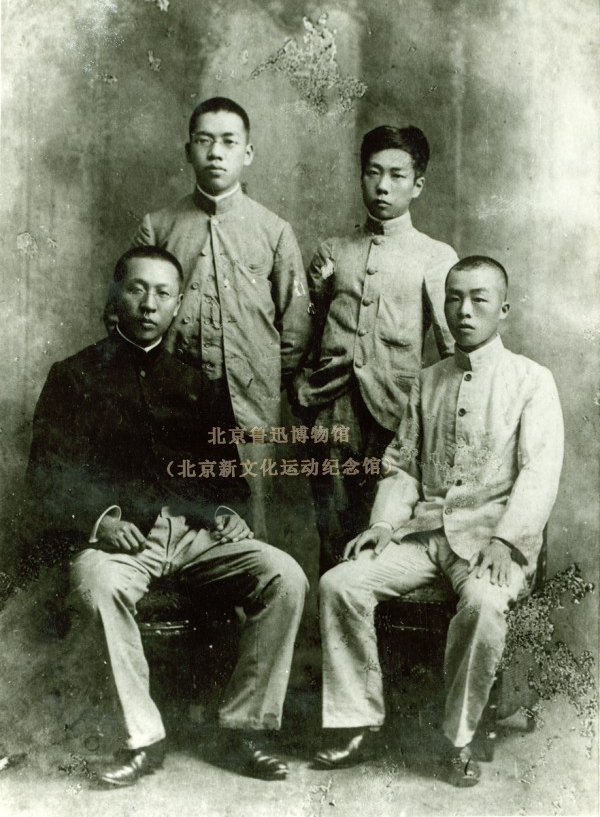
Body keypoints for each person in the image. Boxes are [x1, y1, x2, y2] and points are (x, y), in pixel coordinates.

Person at [26, 246, 307, 787]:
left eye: (162, 293)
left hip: (196, 537)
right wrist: (101, 522)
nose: (149, 304)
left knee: (285, 575)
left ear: (177, 304)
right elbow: (46, 477)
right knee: (98, 586)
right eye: (137, 289)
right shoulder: (73, 375)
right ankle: (142, 738)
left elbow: (228, 476)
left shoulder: (197, 382)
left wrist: (227, 512)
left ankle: (245, 728)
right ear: (116, 295)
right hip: (119, 539)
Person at [315, 256, 564, 786]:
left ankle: (458, 738)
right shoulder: (427, 381)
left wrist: (508, 541)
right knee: (340, 584)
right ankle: (357, 722)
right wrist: (384, 525)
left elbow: (540, 471)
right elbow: (403, 465)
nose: (464, 310)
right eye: (454, 298)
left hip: (491, 540)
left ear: (503, 308)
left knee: (484, 603)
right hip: (425, 536)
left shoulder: (531, 380)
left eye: (478, 299)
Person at [131, 97, 311, 541]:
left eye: (229, 142)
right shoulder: (159, 227)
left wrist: (259, 378)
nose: (216, 152)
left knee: (247, 524)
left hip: (250, 405)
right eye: (204, 141)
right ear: (188, 150)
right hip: (171, 401)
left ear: (247, 153)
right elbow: (130, 315)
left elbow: (295, 329)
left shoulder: (274, 231)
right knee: (171, 515)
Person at [296, 125, 458, 571]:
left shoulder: (434, 255)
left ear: (417, 184)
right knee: (332, 532)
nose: (383, 186)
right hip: (330, 410)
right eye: (373, 172)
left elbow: (451, 348)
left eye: (397, 175)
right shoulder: (333, 250)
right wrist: (302, 391)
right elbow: (307, 332)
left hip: (397, 411)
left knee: (383, 532)